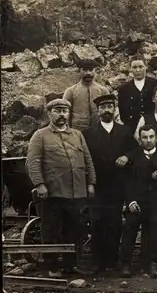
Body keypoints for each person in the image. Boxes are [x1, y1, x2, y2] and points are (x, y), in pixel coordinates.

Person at [26, 99, 96, 278]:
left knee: (75, 230)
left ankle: (70, 266)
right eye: (58, 110)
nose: (62, 114)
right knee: (51, 230)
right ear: (50, 114)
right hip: (53, 192)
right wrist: (40, 184)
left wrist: (90, 183)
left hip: (77, 192)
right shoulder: (40, 135)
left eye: (65, 111)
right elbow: (32, 163)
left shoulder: (77, 135)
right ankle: (52, 267)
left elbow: (87, 160)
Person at [83, 94, 139, 273]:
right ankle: (96, 261)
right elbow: (85, 158)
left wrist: (126, 156)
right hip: (98, 184)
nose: (107, 110)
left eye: (110, 106)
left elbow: (135, 150)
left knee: (114, 222)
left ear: (115, 109)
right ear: (98, 111)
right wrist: (90, 182)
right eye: (103, 107)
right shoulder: (88, 133)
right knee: (97, 222)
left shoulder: (125, 131)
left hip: (117, 183)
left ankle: (112, 260)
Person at [120, 125, 157, 278]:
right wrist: (131, 201)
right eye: (144, 137)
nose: (148, 140)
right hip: (138, 201)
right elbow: (128, 183)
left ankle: (154, 262)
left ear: (156, 138)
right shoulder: (133, 158)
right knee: (130, 222)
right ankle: (125, 262)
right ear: (139, 140)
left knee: (155, 221)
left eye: (151, 137)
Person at [118, 54, 157, 131]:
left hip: (154, 126)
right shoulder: (124, 89)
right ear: (130, 69)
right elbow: (123, 113)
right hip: (133, 128)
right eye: (134, 67)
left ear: (146, 67)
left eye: (141, 67)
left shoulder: (156, 84)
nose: (138, 70)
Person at [63, 59, 109, 131]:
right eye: (84, 70)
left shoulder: (103, 91)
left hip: (98, 131)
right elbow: (65, 113)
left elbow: (108, 112)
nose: (88, 73)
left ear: (95, 70)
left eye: (91, 70)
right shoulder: (70, 91)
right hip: (78, 131)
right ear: (79, 71)